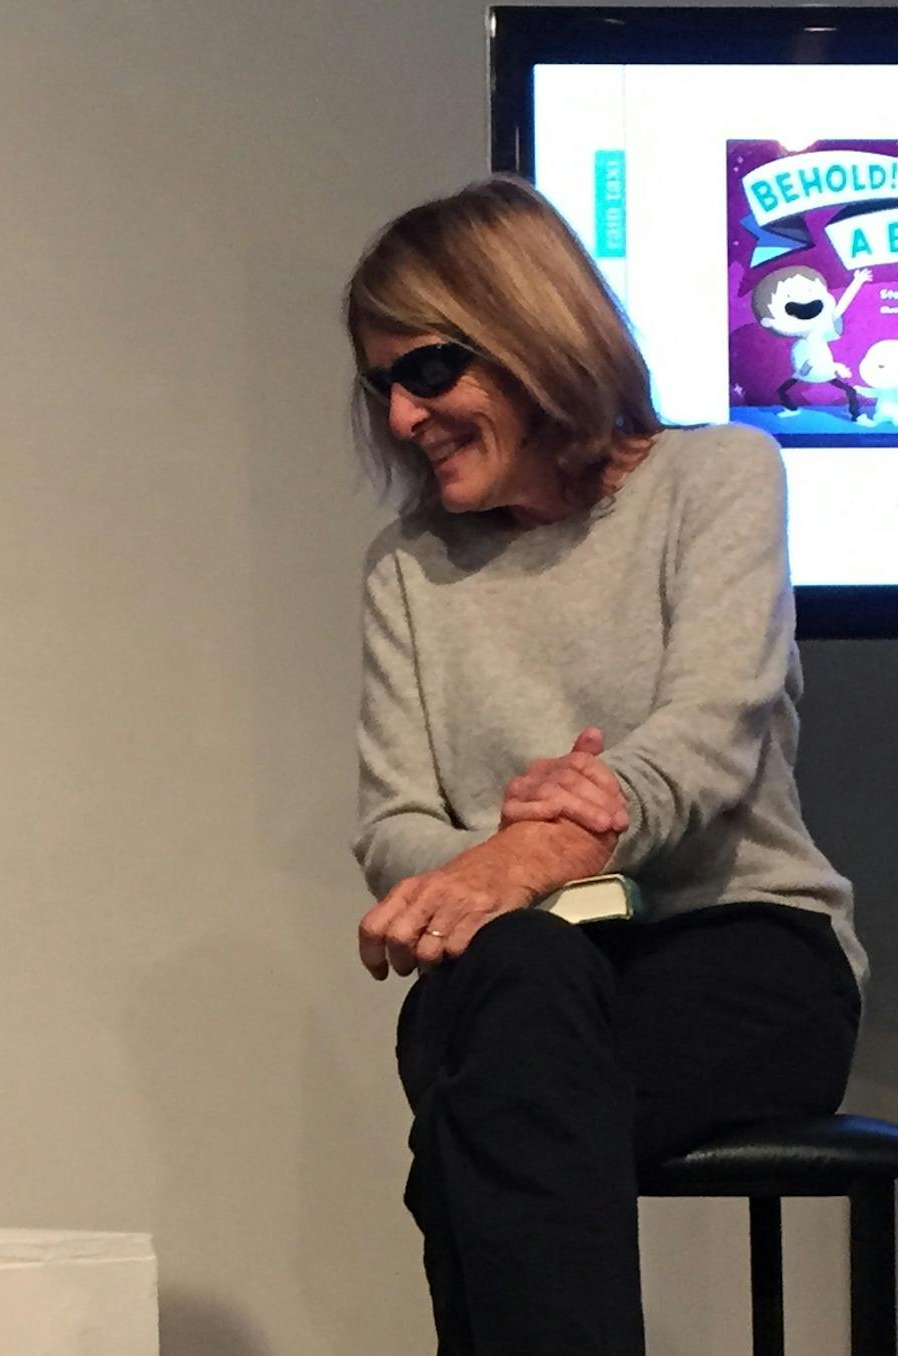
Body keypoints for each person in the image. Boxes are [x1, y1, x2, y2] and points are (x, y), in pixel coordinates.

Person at [343, 176, 862, 1355]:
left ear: (531, 331)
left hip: (735, 950)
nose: (401, 418)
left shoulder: (719, 477)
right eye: (382, 385)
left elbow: (713, 731)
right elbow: (395, 826)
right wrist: (519, 868)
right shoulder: (407, 571)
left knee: (480, 1119)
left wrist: (563, 834)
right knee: (517, 986)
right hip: (514, 971)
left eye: (428, 370)